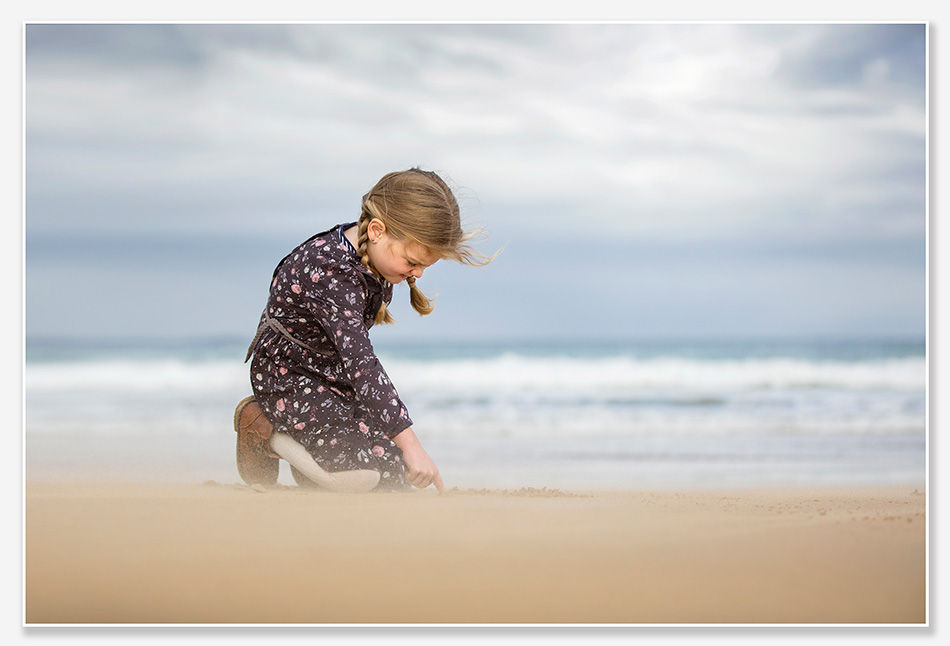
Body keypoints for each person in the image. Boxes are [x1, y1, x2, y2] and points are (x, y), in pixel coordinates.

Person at [234, 168, 490, 493]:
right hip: (289, 375)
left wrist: (401, 450)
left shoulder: (373, 253)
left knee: (394, 477)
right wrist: (413, 445)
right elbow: (363, 366)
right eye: (413, 262)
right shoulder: (329, 272)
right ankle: (266, 427)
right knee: (362, 478)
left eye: (426, 266)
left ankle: (316, 461)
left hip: (331, 377)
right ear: (377, 230)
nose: (419, 274)